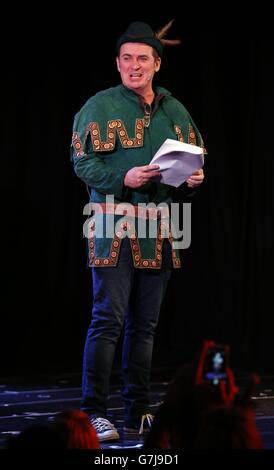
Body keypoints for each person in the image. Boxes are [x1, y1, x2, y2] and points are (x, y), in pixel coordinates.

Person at [70, 20, 205, 442]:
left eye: (141, 58)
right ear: (117, 63)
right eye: (126, 58)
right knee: (107, 319)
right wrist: (121, 178)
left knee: (145, 325)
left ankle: (138, 408)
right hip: (111, 223)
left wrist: (194, 179)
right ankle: (95, 411)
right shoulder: (98, 106)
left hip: (160, 227)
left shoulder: (175, 109)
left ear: (156, 63)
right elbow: (81, 161)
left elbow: (195, 156)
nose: (133, 65)